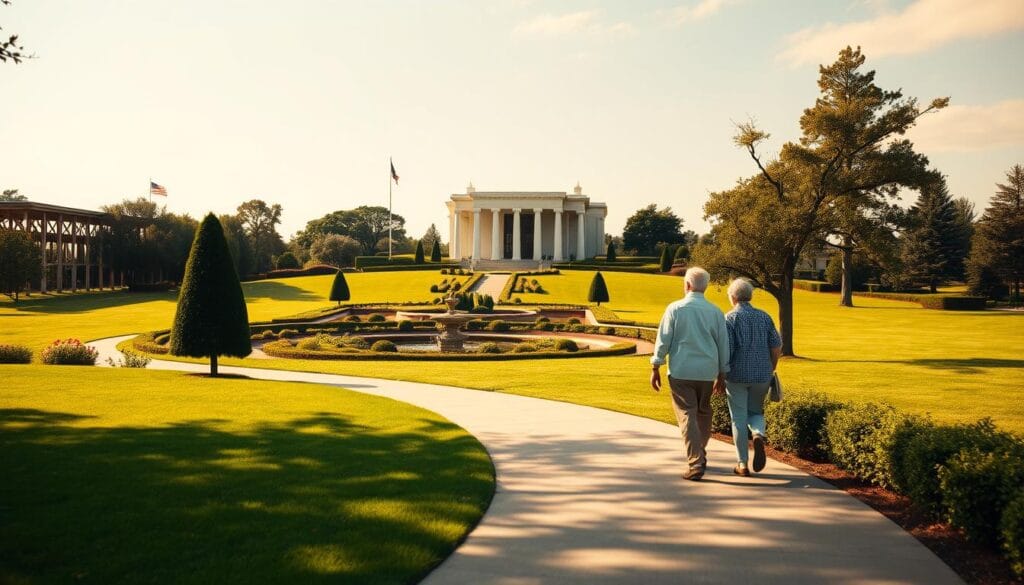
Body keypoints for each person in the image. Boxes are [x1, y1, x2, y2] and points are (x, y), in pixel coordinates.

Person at [650, 267, 730, 481]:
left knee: (687, 415)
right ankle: (700, 453)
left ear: (687, 285)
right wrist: (722, 372)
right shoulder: (715, 311)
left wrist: (656, 365)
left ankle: (695, 462)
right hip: (707, 370)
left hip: (682, 369)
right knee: (703, 413)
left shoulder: (675, 308)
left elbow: (664, 339)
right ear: (706, 286)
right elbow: (723, 344)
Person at [723, 278, 782, 477]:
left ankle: (742, 464)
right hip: (761, 374)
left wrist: (721, 373)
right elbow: (776, 345)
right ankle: (758, 434)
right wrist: (771, 367)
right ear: (750, 296)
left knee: (738, 418)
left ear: (733, 297)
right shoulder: (764, 317)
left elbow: (728, 350)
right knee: (755, 411)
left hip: (736, 375)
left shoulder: (729, 318)